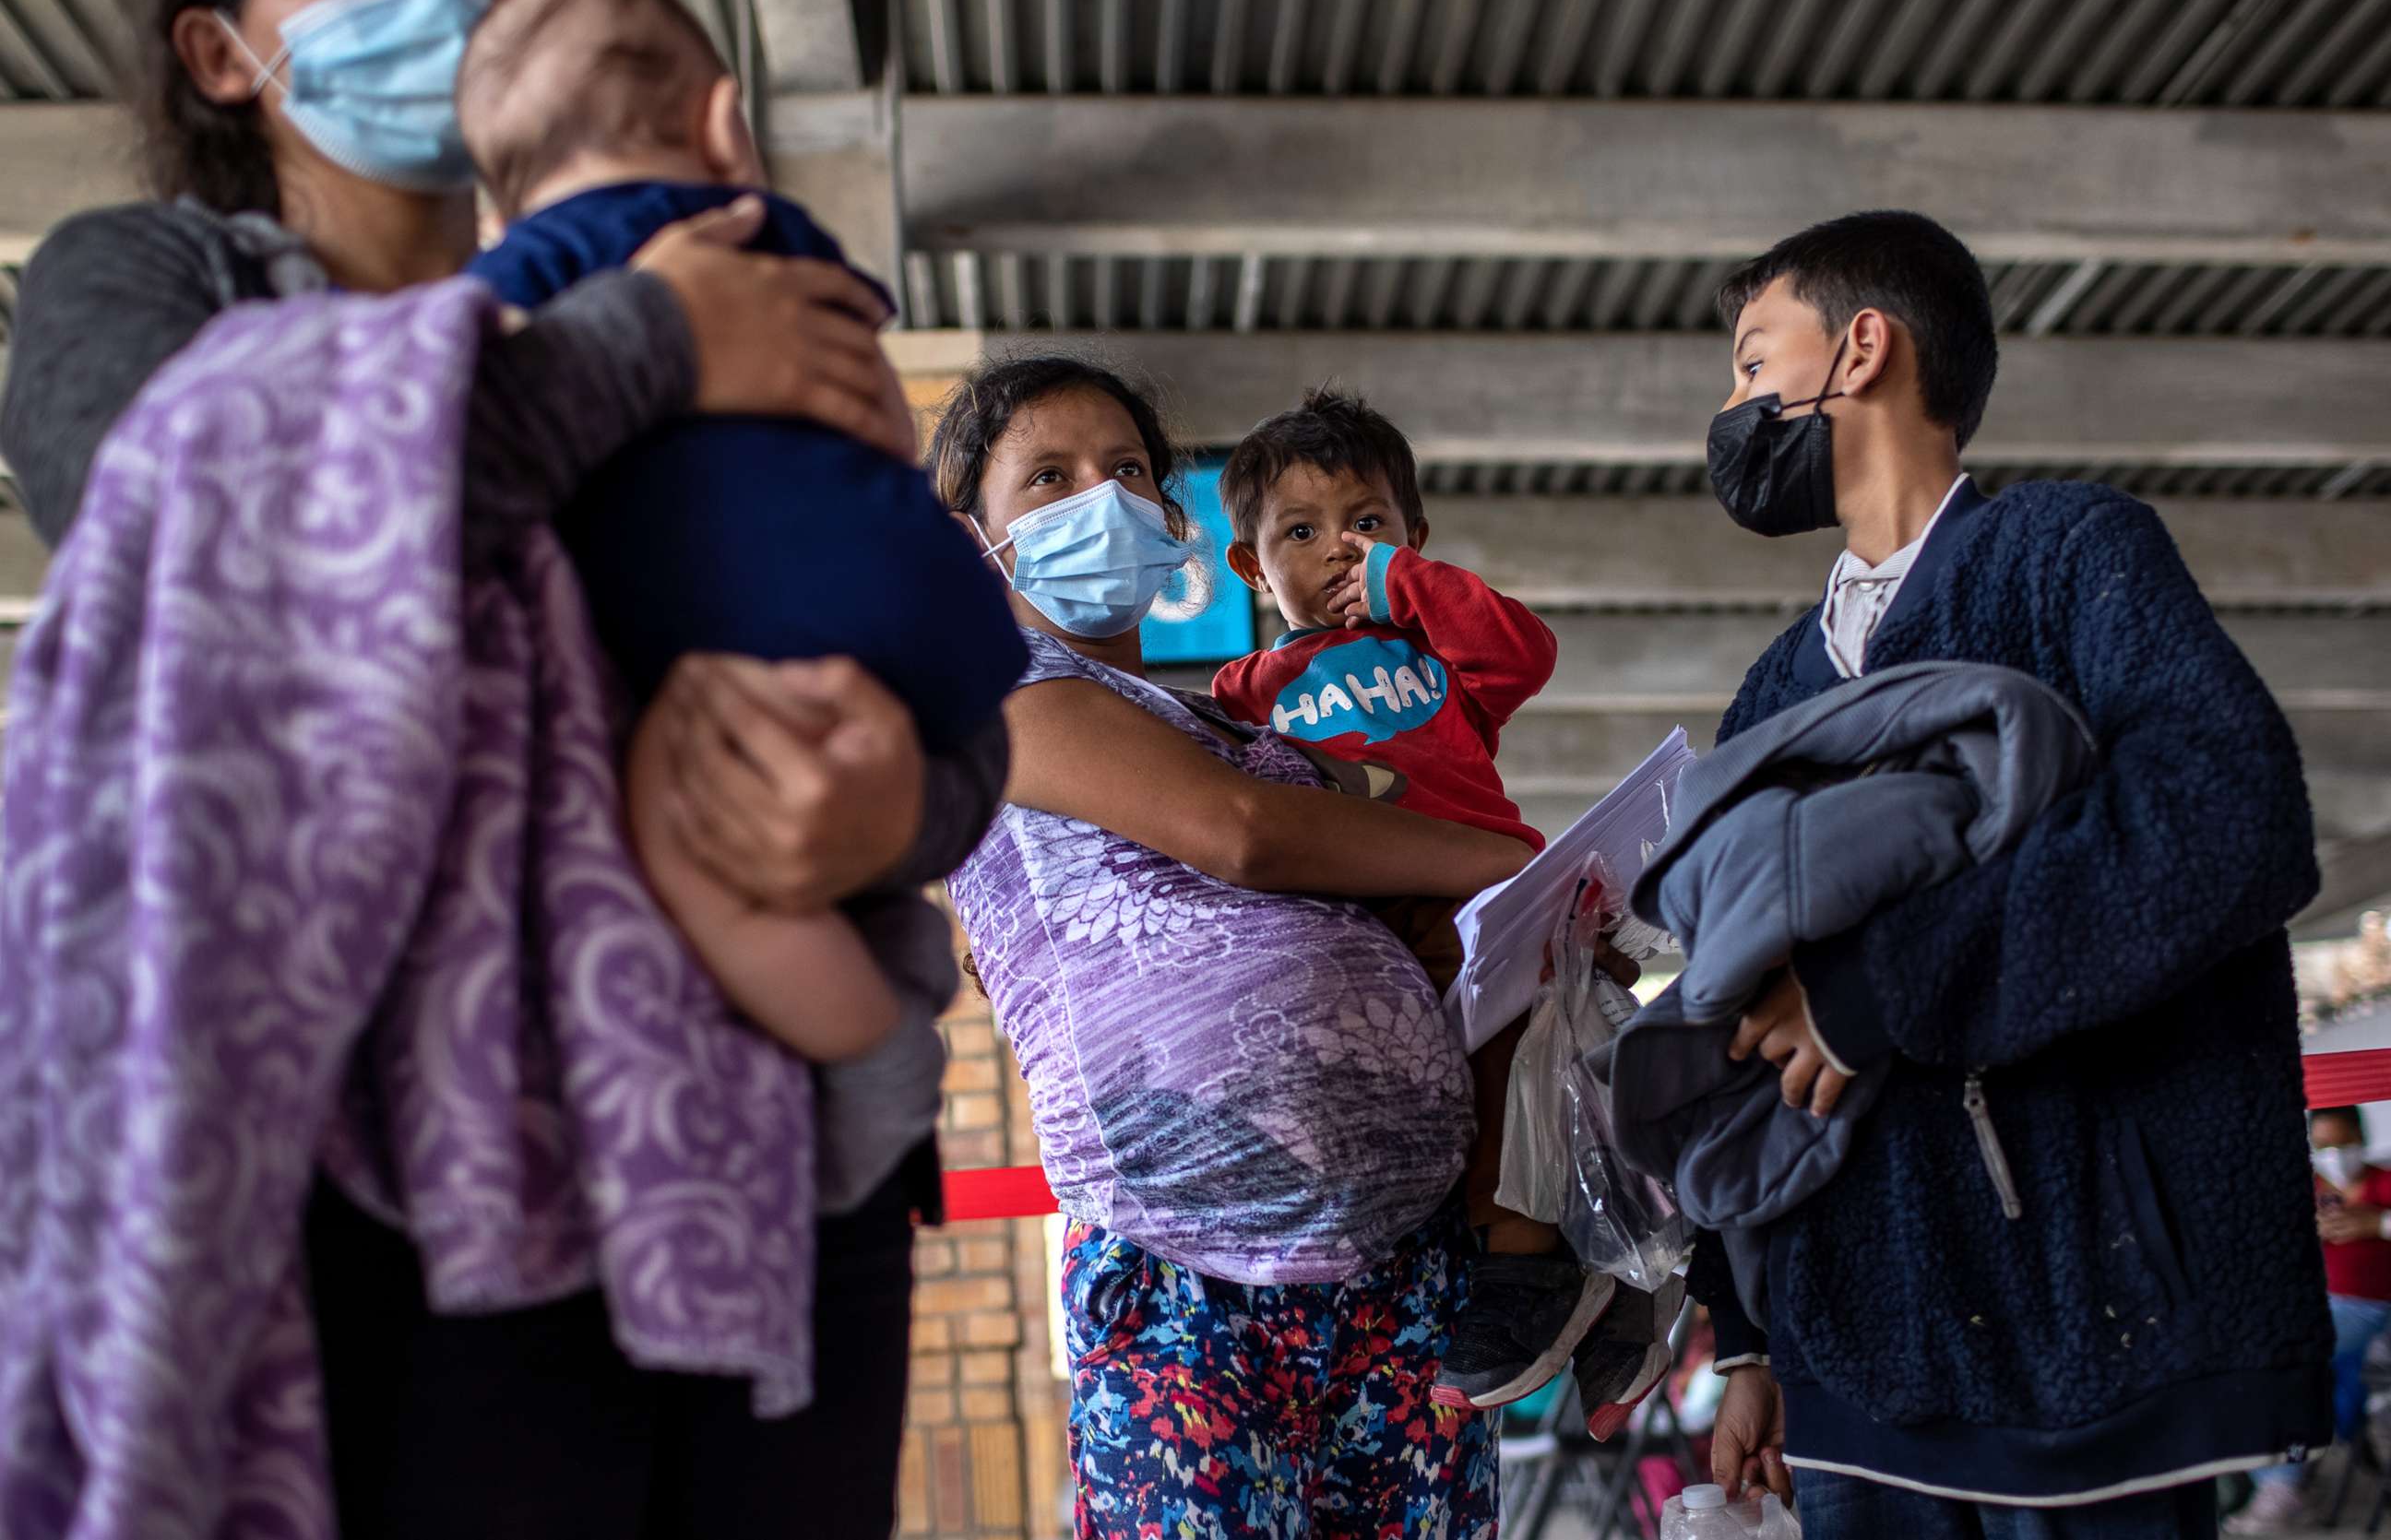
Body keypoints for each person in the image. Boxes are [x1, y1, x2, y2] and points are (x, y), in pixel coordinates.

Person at [0, 0, 959, 1533]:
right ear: (225, 52)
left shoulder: (722, 286)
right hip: (382, 1170)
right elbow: (199, 548)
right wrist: (652, 345)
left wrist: (909, 805)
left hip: (768, 1158)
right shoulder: (147, 283)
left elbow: (892, 618)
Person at [1687, 209, 2329, 1536]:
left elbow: (2229, 813)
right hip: (1861, 1360)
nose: (1733, 409)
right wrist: (1747, 1333)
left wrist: (1886, 989)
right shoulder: (1773, 688)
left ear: (1860, 349)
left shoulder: (2074, 557)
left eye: (1753, 364)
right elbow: (1739, 1008)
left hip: (2091, 1338)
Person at [926, 353, 1635, 1538]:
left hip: (1402, 1281)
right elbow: (1245, 835)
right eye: (1048, 478)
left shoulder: (1235, 715)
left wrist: (1532, 928)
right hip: (1187, 1274)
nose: (1098, 495)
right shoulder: (999, 698)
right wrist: (1533, 869)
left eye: (1127, 470)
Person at [454, 0, 1026, 1218]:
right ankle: (880, 1051)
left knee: (692, 837)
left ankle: (867, 1054)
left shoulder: (509, 293)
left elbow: (452, 445)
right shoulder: (776, 243)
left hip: (686, 623)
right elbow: (877, 420)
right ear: (725, 127)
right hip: (919, 610)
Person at [1209, 386, 1681, 1429]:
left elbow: (1526, 652)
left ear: (1413, 538)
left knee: (1536, 1080)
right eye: (1302, 532)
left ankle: (1540, 1279)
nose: (1340, 551)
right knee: (1450, 1107)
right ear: (1250, 565)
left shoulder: (1441, 659)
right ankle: (1604, 1283)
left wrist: (1404, 585)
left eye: (1367, 525)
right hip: (1370, 926)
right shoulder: (1248, 685)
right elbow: (1196, 774)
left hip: (1487, 901)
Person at [2231, 1107, 2391, 1533]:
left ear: (2361, 1136)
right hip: (2310, 1304)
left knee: (2287, 1362)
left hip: (2369, 1306)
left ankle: (2282, 1485)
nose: (2337, 1154)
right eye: (2325, 1145)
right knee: (2260, 1363)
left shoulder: (2383, 1183)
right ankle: (2280, 1475)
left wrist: (2380, 1222)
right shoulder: (2308, 1190)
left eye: (2344, 1142)